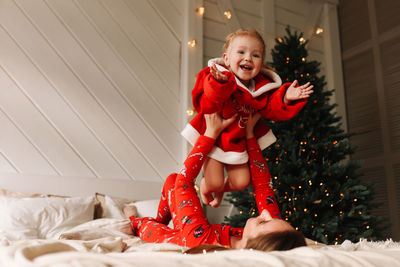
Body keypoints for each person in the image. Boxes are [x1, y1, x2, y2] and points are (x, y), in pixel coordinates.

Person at [124, 112, 306, 251]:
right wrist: (250, 136)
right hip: (192, 229)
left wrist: (209, 135)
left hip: (184, 237)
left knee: (148, 223)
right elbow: (264, 186)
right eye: (272, 218)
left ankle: (131, 218)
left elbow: (184, 181)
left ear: (250, 247)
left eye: (263, 222)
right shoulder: (276, 236)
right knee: (171, 180)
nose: (265, 212)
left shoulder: (204, 241)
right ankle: (161, 219)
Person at [181, 29, 313, 207]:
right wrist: (220, 83)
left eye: (255, 55)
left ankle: (220, 189)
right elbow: (208, 102)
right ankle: (209, 186)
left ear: (261, 64)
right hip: (215, 138)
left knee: (242, 182)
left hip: (237, 141)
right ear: (226, 59)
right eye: (241, 52)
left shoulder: (261, 89)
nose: (248, 58)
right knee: (214, 182)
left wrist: (286, 98)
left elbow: (271, 108)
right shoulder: (216, 76)